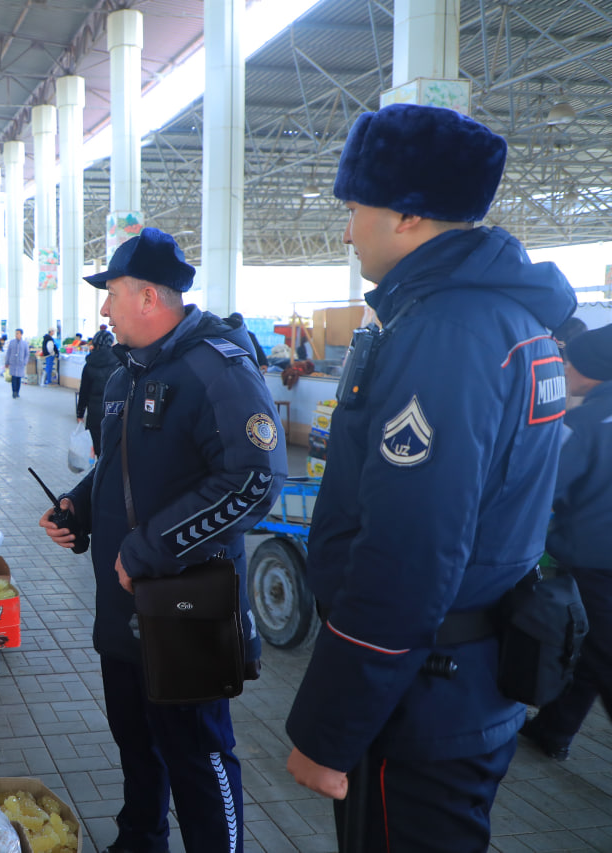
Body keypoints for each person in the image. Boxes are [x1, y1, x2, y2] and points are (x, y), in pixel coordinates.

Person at [283, 104, 576, 851]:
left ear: (408, 213)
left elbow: (409, 555)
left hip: (420, 696)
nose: (347, 231)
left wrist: (326, 728)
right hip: (464, 676)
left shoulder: (446, 334)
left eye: (355, 207)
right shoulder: (512, 322)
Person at [39, 227, 287, 853]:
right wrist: (80, 507)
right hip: (125, 605)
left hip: (186, 608)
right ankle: (141, 838)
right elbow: (118, 465)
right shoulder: (128, 373)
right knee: (135, 737)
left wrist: (148, 548)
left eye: (112, 294)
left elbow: (255, 480)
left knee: (197, 753)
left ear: (149, 297)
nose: (103, 309)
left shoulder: (216, 368)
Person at [519, 324, 612, 761]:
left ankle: (552, 729)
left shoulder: (582, 424)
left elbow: (541, 489)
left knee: (600, 654)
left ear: (595, 372)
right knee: (594, 649)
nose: (566, 367)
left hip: (594, 562)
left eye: (573, 361)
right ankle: (552, 730)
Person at [75, 331, 119, 455]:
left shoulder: (89, 364)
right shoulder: (118, 363)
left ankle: (99, 471)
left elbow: (84, 391)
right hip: (114, 412)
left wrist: (80, 413)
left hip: (94, 413)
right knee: (112, 450)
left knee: (97, 449)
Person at [5, 329, 30, 398]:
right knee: (13, 378)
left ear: (21, 334)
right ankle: (14, 392)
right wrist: (7, 362)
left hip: (20, 364)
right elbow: (8, 353)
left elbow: (27, 354)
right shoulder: (12, 342)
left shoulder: (24, 344)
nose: (16, 335)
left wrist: (25, 362)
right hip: (13, 363)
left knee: (18, 379)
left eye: (18, 333)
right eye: (16, 333)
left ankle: (17, 392)